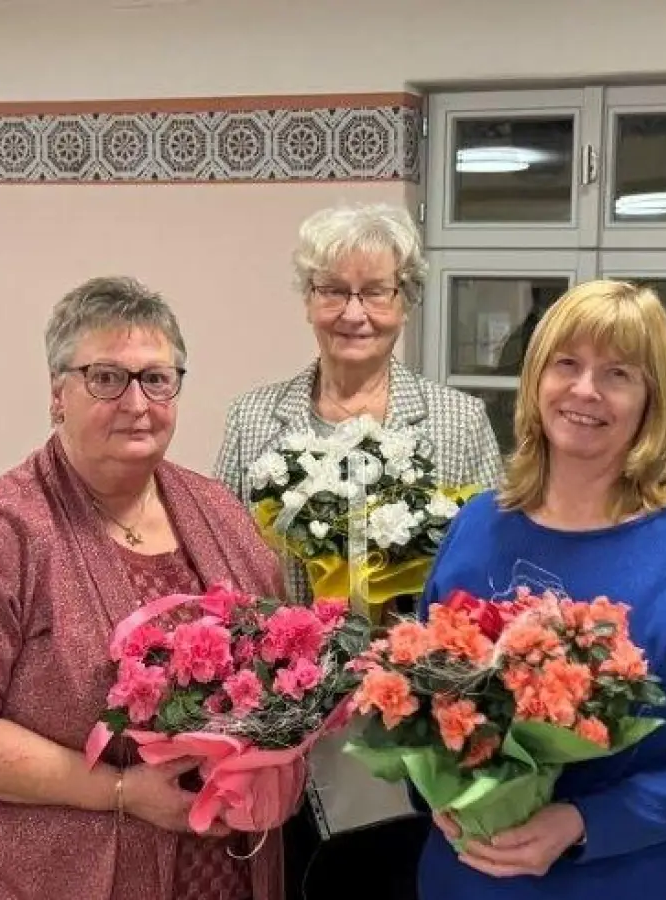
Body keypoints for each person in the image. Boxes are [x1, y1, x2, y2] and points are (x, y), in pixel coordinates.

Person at [0, 277, 285, 900]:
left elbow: (280, 669)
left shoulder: (218, 512)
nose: (136, 402)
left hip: (219, 870)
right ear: (57, 396)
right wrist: (119, 791)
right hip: (41, 876)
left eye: (157, 378)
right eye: (106, 378)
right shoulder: (0, 530)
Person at [417, 279, 666, 899]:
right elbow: (422, 704)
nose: (585, 390)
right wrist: (434, 792)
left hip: (636, 878)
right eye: (567, 364)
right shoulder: (478, 522)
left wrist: (584, 823)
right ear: (536, 378)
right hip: (469, 876)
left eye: (618, 373)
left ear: (651, 400)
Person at [213, 201, 506, 899]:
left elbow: (491, 572)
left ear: (405, 300)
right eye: (332, 290)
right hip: (284, 725)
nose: (354, 312)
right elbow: (218, 555)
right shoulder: (257, 416)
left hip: (415, 724)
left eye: (376, 291)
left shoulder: (457, 419)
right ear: (308, 299)